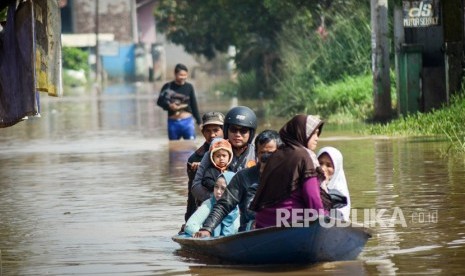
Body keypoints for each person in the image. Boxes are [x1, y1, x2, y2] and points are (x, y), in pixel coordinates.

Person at [194, 130, 283, 238]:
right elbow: (224, 205)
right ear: (256, 153)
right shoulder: (243, 177)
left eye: (270, 153)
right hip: (251, 230)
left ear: (280, 153)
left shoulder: (289, 175)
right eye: (262, 153)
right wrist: (207, 228)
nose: (266, 157)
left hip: (282, 225)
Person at [249, 115, 327, 229]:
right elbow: (312, 196)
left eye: (318, 133)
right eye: (313, 133)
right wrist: (324, 219)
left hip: (262, 223)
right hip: (289, 220)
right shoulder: (304, 155)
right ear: (301, 133)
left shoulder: (275, 155)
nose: (317, 138)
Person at [191, 106, 257, 203]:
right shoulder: (214, 152)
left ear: (251, 133)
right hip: (216, 205)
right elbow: (196, 186)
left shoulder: (257, 154)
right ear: (226, 130)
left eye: (243, 131)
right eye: (233, 130)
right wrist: (218, 199)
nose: (238, 134)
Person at [183, 111, 224, 223]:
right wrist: (189, 219)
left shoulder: (233, 150)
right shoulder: (195, 158)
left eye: (216, 130)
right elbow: (192, 193)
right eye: (208, 131)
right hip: (207, 205)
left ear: (224, 130)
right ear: (202, 132)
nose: (212, 135)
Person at [184, 171, 240, 237]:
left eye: (223, 188)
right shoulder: (209, 204)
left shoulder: (238, 207)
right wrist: (204, 234)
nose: (218, 191)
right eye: (216, 187)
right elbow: (189, 225)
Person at [156, 63, 201, 140]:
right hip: (173, 123)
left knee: (191, 146)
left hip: (188, 122)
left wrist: (199, 122)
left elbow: (194, 105)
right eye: (181, 75)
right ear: (175, 74)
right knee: (174, 148)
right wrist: (169, 106)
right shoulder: (167, 87)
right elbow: (159, 102)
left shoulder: (189, 87)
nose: (183, 77)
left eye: (185, 75)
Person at [317, 146, 351, 221]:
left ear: (336, 168)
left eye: (328, 165)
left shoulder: (342, 195)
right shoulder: (310, 187)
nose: (323, 168)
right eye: (320, 163)